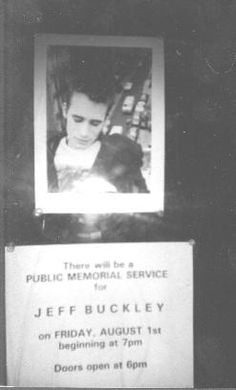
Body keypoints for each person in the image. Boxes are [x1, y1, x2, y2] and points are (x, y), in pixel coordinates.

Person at [47, 64, 148, 193]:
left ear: (106, 120)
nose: (84, 133)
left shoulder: (123, 156)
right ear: (65, 110)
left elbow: (143, 203)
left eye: (95, 123)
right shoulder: (42, 151)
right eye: (77, 120)